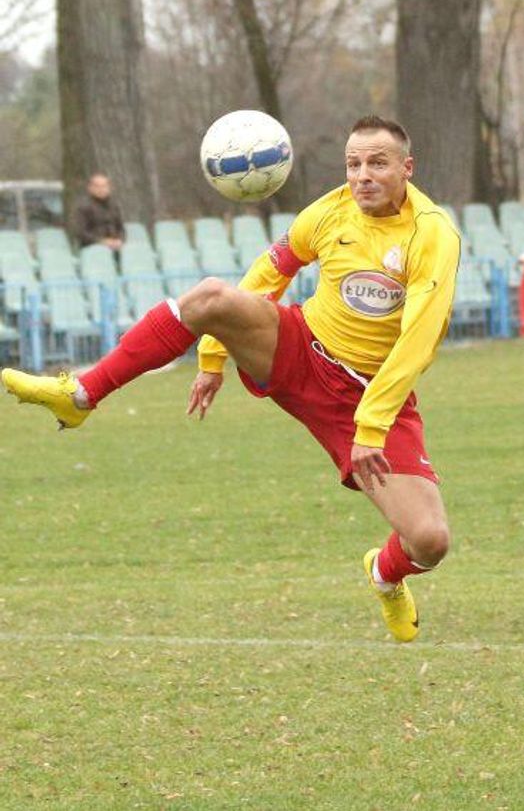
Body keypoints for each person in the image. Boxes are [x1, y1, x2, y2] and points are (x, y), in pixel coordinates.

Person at [3, 115, 460, 644]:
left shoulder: (432, 234)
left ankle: (383, 575)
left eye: (377, 163)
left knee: (429, 540)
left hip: (369, 395)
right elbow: (270, 275)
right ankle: (81, 394)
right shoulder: (331, 210)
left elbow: (419, 340)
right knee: (212, 297)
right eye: (353, 164)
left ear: (407, 168)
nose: (362, 175)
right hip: (300, 348)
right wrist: (214, 356)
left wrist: (372, 424)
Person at [73, 172, 126, 261]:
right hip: (92, 250)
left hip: (115, 249)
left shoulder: (114, 206)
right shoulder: (83, 207)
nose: (101, 189)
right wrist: (102, 241)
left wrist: (120, 240)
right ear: (90, 188)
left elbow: (120, 228)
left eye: (104, 186)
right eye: (97, 186)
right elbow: (80, 232)